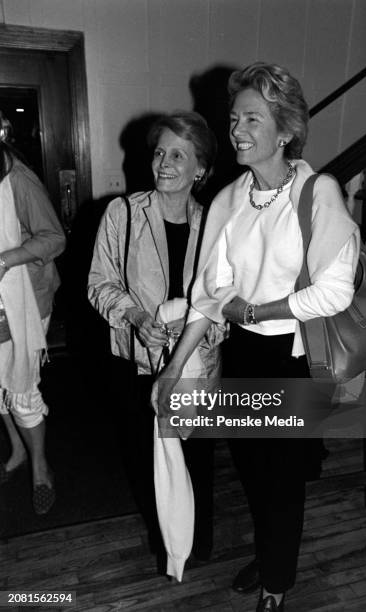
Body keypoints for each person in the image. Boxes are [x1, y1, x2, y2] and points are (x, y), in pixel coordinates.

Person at [153, 63, 360, 611]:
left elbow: (335, 291)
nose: (237, 129)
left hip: (293, 357)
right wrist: (174, 367)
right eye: (234, 117)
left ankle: (278, 584)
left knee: (283, 477)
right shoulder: (230, 200)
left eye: (252, 118)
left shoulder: (319, 193)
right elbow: (209, 295)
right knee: (250, 468)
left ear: (286, 129)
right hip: (243, 351)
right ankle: (271, 553)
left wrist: (259, 307)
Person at [88, 111, 222, 568]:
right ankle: (165, 540)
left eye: (178, 154)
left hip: (197, 366)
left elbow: (226, 298)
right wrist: (134, 316)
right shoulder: (122, 213)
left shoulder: (215, 224)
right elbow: (99, 283)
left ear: (200, 168)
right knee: (147, 460)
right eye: (160, 152)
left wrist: (207, 334)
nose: (164, 162)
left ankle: (197, 542)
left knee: (197, 458)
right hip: (136, 364)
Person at [0, 110, 66, 515]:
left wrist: (7, 258)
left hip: (24, 298)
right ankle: (18, 451)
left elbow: (55, 238)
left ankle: (41, 467)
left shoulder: (18, 181)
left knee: (21, 389)